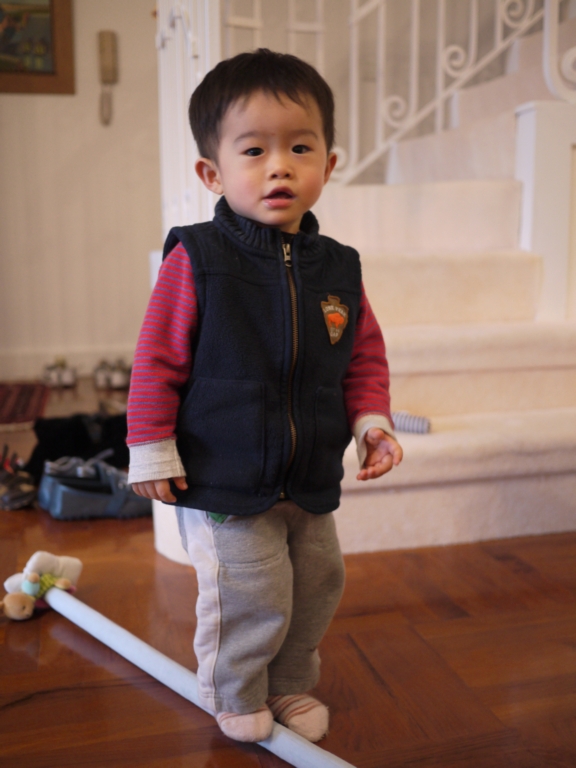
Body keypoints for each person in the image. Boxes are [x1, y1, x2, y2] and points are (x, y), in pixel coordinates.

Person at [127, 48, 403, 744]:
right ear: (213, 173)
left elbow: (362, 355)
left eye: (299, 148)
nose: (279, 166)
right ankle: (236, 690)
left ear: (327, 166)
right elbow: (156, 358)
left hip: (309, 475)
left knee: (317, 583)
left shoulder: (339, 268)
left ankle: (288, 685)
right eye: (254, 150)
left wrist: (371, 421)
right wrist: (150, 447)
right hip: (224, 473)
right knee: (250, 589)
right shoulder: (197, 258)